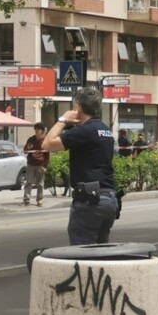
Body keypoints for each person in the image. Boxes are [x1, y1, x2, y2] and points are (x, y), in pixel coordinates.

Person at [42, 87, 118, 246]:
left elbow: (47, 144)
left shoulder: (85, 131)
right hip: (109, 198)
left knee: (83, 251)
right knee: (101, 251)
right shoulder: (105, 130)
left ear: (78, 108)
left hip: (90, 201)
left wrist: (63, 119)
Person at [22, 122, 50, 207]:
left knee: (40, 183)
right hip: (31, 163)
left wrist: (45, 165)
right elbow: (25, 150)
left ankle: (40, 199)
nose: (36, 131)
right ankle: (26, 199)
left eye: (38, 129)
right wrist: (27, 148)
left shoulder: (45, 141)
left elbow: (47, 154)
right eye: (35, 129)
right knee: (29, 182)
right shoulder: (31, 139)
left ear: (42, 130)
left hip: (40, 164)